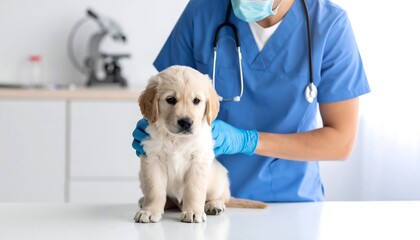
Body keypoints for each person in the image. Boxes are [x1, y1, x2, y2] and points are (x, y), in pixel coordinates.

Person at [132, 0, 370, 202]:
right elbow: (168, 95)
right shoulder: (203, 11)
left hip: (291, 201)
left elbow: (341, 141)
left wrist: (247, 141)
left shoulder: (329, 25)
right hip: (203, 198)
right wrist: (155, 132)